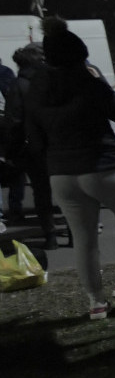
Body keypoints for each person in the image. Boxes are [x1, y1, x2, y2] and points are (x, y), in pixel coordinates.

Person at [24, 17, 115, 319]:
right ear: (80, 56)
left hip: (61, 172)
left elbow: (35, 138)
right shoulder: (89, 82)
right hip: (102, 164)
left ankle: (96, 303)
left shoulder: (36, 90)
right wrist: (100, 81)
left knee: (84, 238)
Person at [4, 42, 57, 248]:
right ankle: (72, 232)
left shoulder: (19, 85)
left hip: (34, 146)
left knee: (41, 191)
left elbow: (14, 120)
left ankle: (51, 234)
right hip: (59, 142)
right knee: (66, 191)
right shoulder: (54, 78)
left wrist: (11, 150)